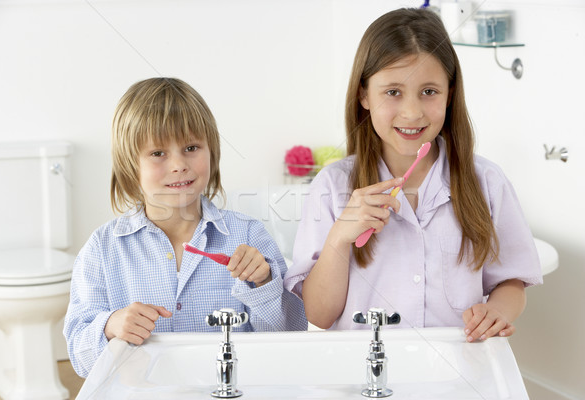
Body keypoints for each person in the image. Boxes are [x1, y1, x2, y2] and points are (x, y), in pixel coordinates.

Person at [284, 8, 542, 341]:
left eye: (429, 91)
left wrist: (497, 313)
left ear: (450, 94)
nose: (412, 112)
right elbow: (319, 314)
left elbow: (511, 282)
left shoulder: (488, 182)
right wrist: (339, 237)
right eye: (393, 92)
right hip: (364, 376)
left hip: (457, 372)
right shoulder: (332, 185)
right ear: (364, 95)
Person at [64, 77, 307, 377]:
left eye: (191, 147)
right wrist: (111, 326)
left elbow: (287, 341)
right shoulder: (103, 249)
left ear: (212, 152)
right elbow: (79, 356)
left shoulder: (249, 236)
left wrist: (264, 284)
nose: (178, 164)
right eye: (158, 153)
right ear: (130, 163)